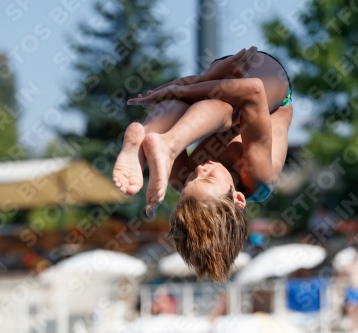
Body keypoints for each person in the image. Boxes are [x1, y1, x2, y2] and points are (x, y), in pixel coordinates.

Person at [114, 47, 293, 281]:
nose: (199, 169)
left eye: (192, 180)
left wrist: (199, 82)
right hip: (269, 83)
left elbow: (171, 99)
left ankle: (143, 142)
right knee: (229, 111)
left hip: (220, 80)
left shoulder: (183, 179)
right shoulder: (258, 177)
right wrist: (193, 84)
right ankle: (169, 143)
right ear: (238, 199)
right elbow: (254, 90)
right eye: (207, 178)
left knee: (189, 106)